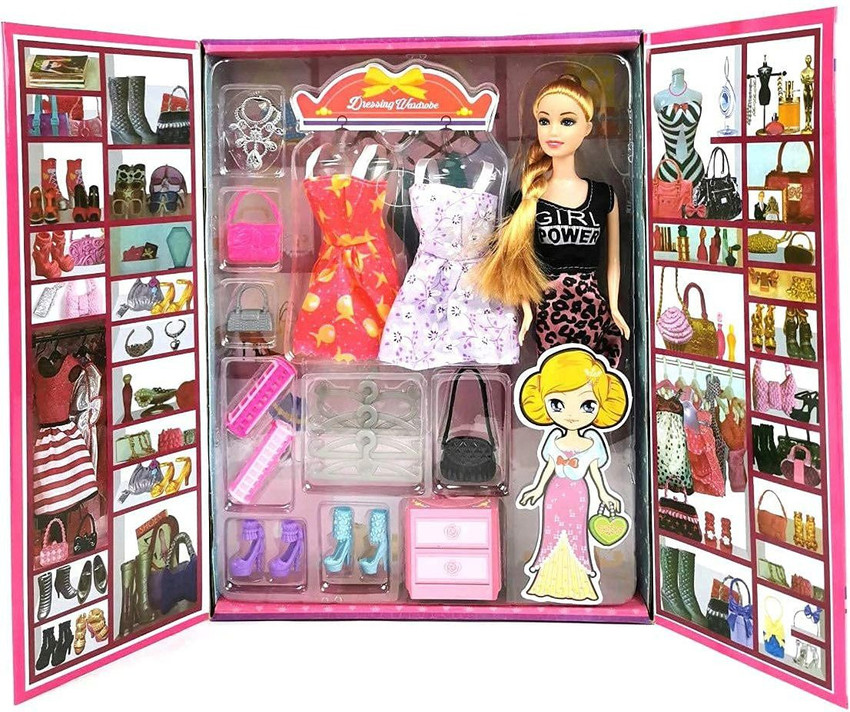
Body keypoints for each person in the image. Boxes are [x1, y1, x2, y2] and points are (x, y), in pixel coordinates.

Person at [474, 74, 629, 365]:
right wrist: (527, 311)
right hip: (549, 309)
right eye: (544, 121)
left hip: (593, 306)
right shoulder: (527, 199)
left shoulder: (603, 196)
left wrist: (615, 308)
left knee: (593, 374)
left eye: (567, 121)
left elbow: (614, 262)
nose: (553, 131)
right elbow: (519, 261)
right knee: (555, 374)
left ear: (587, 129)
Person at [516, 346, 631, 603]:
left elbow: (595, 473)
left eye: (587, 405)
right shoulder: (553, 440)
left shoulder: (593, 443)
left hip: (579, 494)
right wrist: (536, 489)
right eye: (557, 403)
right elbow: (547, 468)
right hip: (554, 492)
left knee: (576, 533)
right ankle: (549, 580)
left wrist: (605, 494)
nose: (570, 414)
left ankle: (576, 584)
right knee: (551, 532)